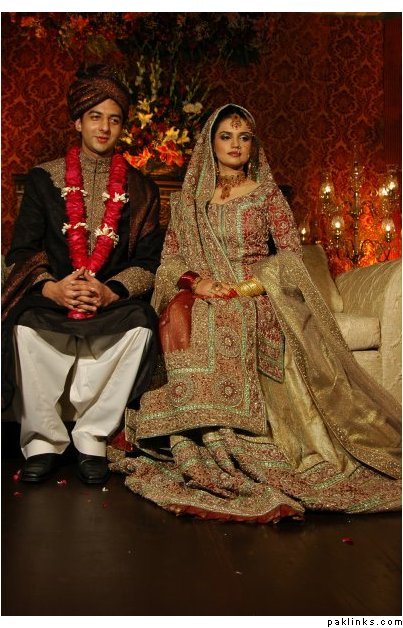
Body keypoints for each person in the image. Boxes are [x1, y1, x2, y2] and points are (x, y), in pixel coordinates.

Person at [109, 104, 401, 522]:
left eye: (244, 137)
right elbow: (170, 260)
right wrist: (198, 283)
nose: (235, 145)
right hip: (204, 291)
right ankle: (199, 436)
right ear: (210, 143)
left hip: (256, 293)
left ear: (253, 145)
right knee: (188, 317)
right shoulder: (190, 202)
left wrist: (247, 287)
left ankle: (238, 442)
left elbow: (290, 256)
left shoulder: (266, 194)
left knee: (231, 318)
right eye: (226, 136)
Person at [2, 64, 163, 485]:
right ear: (78, 121)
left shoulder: (142, 189)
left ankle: (92, 437)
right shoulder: (44, 179)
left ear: (122, 127)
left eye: (114, 119)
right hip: (54, 295)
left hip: (107, 301)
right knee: (25, 324)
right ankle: (42, 442)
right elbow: (21, 251)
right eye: (95, 116)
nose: (104, 127)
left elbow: (149, 262)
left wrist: (111, 292)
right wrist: (52, 288)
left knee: (141, 324)